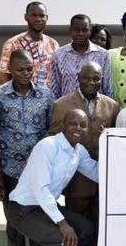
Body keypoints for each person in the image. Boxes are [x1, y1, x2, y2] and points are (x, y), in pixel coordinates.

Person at [6, 109, 98, 246]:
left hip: (43, 208)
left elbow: (97, 173)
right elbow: (41, 190)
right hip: (23, 210)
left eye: (83, 125)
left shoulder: (78, 151)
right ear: (63, 125)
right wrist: (62, 223)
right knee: (64, 241)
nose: (78, 128)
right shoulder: (47, 146)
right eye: (73, 124)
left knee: (87, 229)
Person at [0, 50, 55, 246]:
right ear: (10, 69)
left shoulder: (46, 95)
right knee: (14, 224)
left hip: (38, 173)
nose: (26, 74)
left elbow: (51, 133)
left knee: (39, 222)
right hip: (11, 171)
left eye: (29, 69)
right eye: (20, 69)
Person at [49, 62, 118, 226]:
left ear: (102, 80)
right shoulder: (61, 104)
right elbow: (52, 137)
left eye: (96, 79)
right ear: (78, 78)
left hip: (103, 182)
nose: (91, 82)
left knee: (101, 229)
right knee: (78, 230)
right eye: (86, 78)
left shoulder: (112, 106)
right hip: (76, 182)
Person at [50, 14, 112, 99]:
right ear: (70, 30)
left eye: (84, 30)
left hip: (95, 109)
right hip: (67, 109)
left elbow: (107, 88)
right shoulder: (58, 55)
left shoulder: (103, 54)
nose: (80, 33)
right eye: (76, 30)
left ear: (90, 31)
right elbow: (54, 90)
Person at [0, 1, 59, 87]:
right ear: (26, 17)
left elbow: (56, 75)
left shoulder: (53, 44)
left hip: (48, 97)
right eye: (34, 15)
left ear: (46, 18)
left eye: (41, 15)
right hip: (22, 98)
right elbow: (4, 76)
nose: (38, 19)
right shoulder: (12, 43)